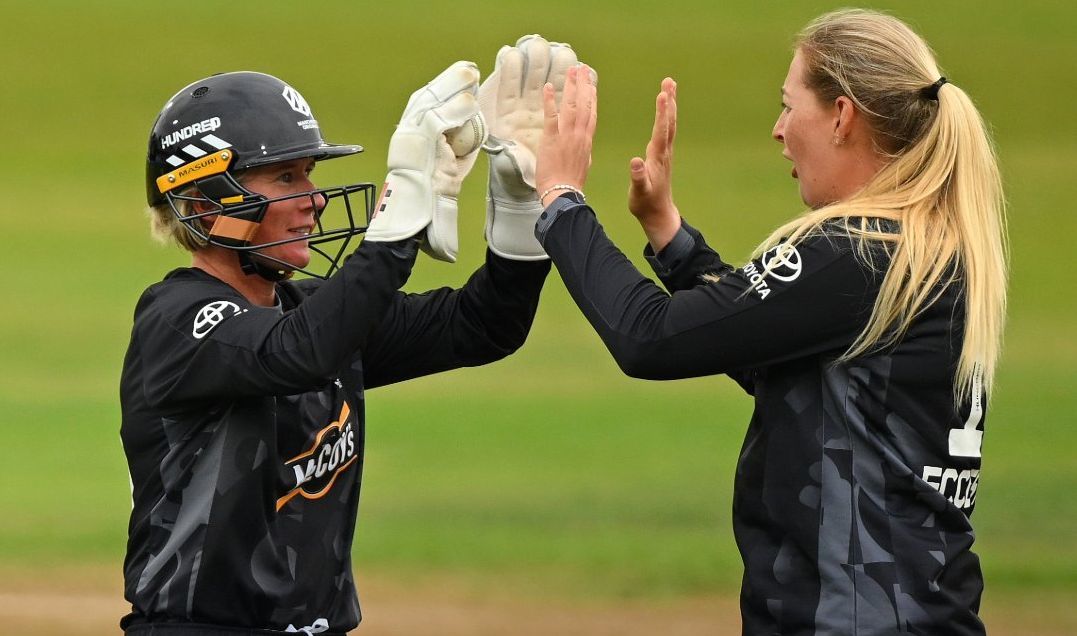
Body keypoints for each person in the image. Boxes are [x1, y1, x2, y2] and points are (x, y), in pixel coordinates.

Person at [534, 9, 1006, 635]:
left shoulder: (856, 251)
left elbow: (649, 338)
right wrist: (669, 235)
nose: (778, 130)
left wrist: (561, 199)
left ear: (841, 117)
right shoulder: (921, 248)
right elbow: (770, 350)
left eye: (789, 106)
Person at [121, 35, 578, 635]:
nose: (313, 199)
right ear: (208, 206)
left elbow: (485, 327)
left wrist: (521, 208)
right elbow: (296, 354)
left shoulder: (313, 312)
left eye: (308, 174)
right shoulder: (177, 320)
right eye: (286, 178)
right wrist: (400, 211)